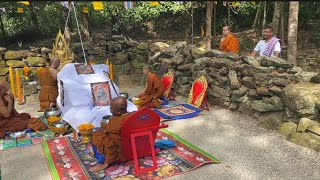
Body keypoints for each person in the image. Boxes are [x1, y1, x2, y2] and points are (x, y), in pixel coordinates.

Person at [90, 96, 129, 172]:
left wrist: (105, 163)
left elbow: (111, 144)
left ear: (118, 112)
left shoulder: (115, 123)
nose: (110, 110)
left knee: (95, 136)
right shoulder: (132, 116)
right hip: (130, 147)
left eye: (111, 108)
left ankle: (101, 157)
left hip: (120, 153)